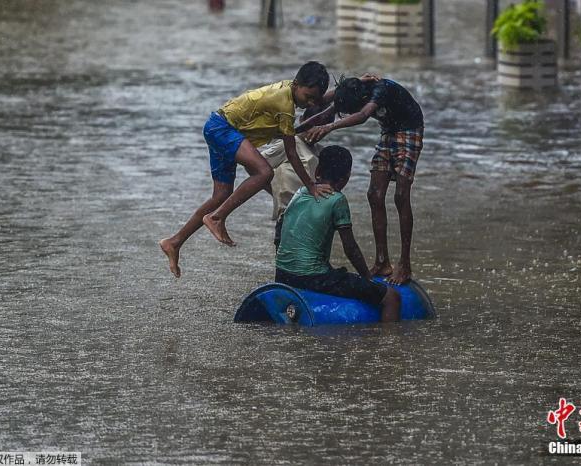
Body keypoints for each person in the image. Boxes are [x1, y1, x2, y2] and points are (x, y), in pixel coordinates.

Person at [160, 62, 333, 278]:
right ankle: (216, 218)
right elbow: (291, 152)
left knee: (221, 195)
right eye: (308, 97)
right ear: (297, 84)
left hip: (218, 125)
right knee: (264, 172)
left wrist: (342, 91)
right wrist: (311, 186)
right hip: (224, 130)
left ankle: (174, 242)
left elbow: (319, 99)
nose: (310, 104)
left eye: (314, 100)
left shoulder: (291, 89)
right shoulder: (284, 104)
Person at [297, 76, 424, 285]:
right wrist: (293, 132)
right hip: (389, 131)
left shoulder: (379, 90)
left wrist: (329, 128)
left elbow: (364, 115)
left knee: (401, 196)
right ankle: (382, 261)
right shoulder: (352, 88)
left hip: (409, 129)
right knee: (374, 195)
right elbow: (323, 108)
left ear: (363, 98)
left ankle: (405, 264)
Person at [275, 145, 401, 322]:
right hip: (312, 279)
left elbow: (280, 229)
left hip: (282, 275)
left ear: (317, 170)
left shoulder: (300, 192)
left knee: (331, 271)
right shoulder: (337, 199)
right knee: (392, 298)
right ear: (346, 178)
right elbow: (350, 248)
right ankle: (388, 345)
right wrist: (367, 278)